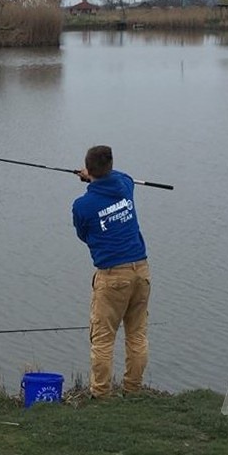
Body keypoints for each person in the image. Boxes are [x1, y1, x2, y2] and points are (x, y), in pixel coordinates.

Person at [72, 145, 151, 398]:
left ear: (89, 168)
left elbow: (84, 235)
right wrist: (96, 178)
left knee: (103, 339)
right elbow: (123, 176)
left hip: (113, 276)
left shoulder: (83, 205)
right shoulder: (124, 186)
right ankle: (133, 389)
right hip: (141, 271)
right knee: (137, 335)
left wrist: (90, 180)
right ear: (111, 165)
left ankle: (101, 394)